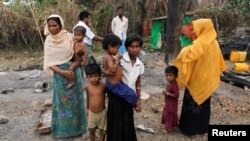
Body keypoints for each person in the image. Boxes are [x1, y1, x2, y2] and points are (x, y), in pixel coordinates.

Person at [174, 19, 227, 136]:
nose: (194, 30)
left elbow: (188, 55)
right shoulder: (214, 43)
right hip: (207, 81)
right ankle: (202, 128)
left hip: (195, 80)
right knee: (204, 105)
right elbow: (217, 62)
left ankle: (188, 129)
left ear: (203, 28)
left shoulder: (199, 43)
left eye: (196, 28)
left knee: (191, 104)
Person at [43, 14, 87, 138]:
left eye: (54, 25)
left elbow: (78, 55)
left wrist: (76, 62)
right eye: (49, 26)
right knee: (62, 104)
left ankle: (78, 129)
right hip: (60, 76)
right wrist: (62, 72)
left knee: (76, 102)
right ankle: (62, 131)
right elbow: (49, 62)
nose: (52, 28)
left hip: (74, 75)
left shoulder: (69, 37)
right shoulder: (49, 41)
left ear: (61, 25)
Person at [106, 33, 144, 141]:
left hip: (129, 96)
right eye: (132, 46)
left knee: (127, 120)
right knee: (116, 122)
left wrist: (138, 98)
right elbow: (110, 74)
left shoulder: (140, 64)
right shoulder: (120, 60)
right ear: (127, 47)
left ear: (140, 47)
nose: (134, 49)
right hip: (117, 96)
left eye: (137, 46)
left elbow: (138, 82)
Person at [102, 33, 137, 106]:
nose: (118, 51)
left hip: (118, 82)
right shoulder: (107, 57)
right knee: (132, 95)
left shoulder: (109, 56)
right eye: (117, 48)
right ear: (110, 47)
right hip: (115, 84)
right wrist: (117, 59)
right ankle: (134, 105)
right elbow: (113, 70)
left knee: (129, 91)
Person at [85, 60, 106, 141]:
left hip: (102, 113)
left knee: (103, 131)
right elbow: (88, 98)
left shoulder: (103, 86)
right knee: (92, 131)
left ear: (100, 75)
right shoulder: (88, 87)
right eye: (90, 76)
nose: (93, 78)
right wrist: (87, 108)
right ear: (87, 77)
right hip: (91, 112)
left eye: (96, 75)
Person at [161, 66, 179, 133]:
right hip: (169, 103)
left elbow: (176, 95)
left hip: (172, 104)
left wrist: (167, 93)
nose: (168, 77)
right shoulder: (170, 83)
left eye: (171, 75)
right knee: (170, 114)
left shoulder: (174, 85)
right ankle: (173, 126)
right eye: (167, 75)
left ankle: (168, 128)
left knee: (169, 115)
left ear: (175, 76)